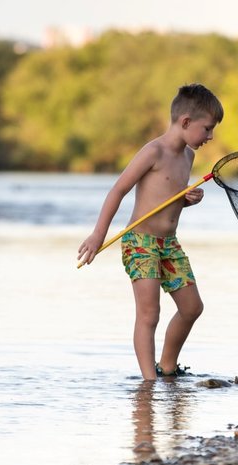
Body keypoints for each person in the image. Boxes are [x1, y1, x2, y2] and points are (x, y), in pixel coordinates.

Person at [77, 83, 223, 381]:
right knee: (149, 313)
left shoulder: (189, 157)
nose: (210, 137)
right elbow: (118, 190)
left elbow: (168, 201)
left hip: (169, 244)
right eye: (207, 129)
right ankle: (149, 382)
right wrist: (97, 234)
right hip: (140, 242)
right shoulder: (153, 151)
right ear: (185, 122)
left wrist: (185, 200)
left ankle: (167, 367)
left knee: (192, 307)